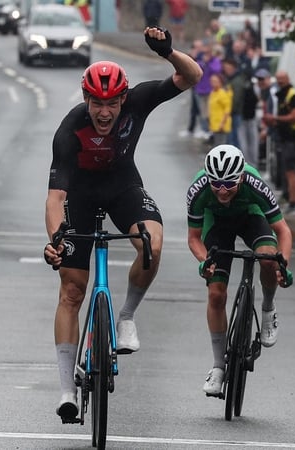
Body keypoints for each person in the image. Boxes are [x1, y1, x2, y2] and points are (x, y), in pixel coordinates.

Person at [43, 27, 202, 420]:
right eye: (96, 102)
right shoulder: (69, 130)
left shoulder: (139, 101)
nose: (103, 112)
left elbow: (192, 77)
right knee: (71, 292)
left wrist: (168, 52)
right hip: (79, 197)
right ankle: (66, 390)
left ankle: (126, 316)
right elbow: (56, 198)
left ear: (123, 99)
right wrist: (56, 238)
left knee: (154, 244)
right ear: (86, 99)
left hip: (122, 186)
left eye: (111, 103)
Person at [186, 144, 293, 396]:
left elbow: (283, 231)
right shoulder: (198, 189)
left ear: (242, 177)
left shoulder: (255, 184)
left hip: (250, 215)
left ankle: (268, 307)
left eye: (229, 184)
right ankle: (218, 366)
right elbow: (193, 238)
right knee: (216, 293)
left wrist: (283, 264)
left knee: (268, 259)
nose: (222, 190)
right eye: (217, 184)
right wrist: (204, 261)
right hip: (216, 223)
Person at [263, 70, 295, 215]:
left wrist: (275, 119)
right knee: (287, 170)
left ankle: (294, 202)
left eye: (283, 79)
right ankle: (289, 198)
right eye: (279, 79)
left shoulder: (293, 95)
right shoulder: (283, 94)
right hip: (286, 137)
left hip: (294, 137)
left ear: (288, 79)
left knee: (291, 170)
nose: (280, 82)